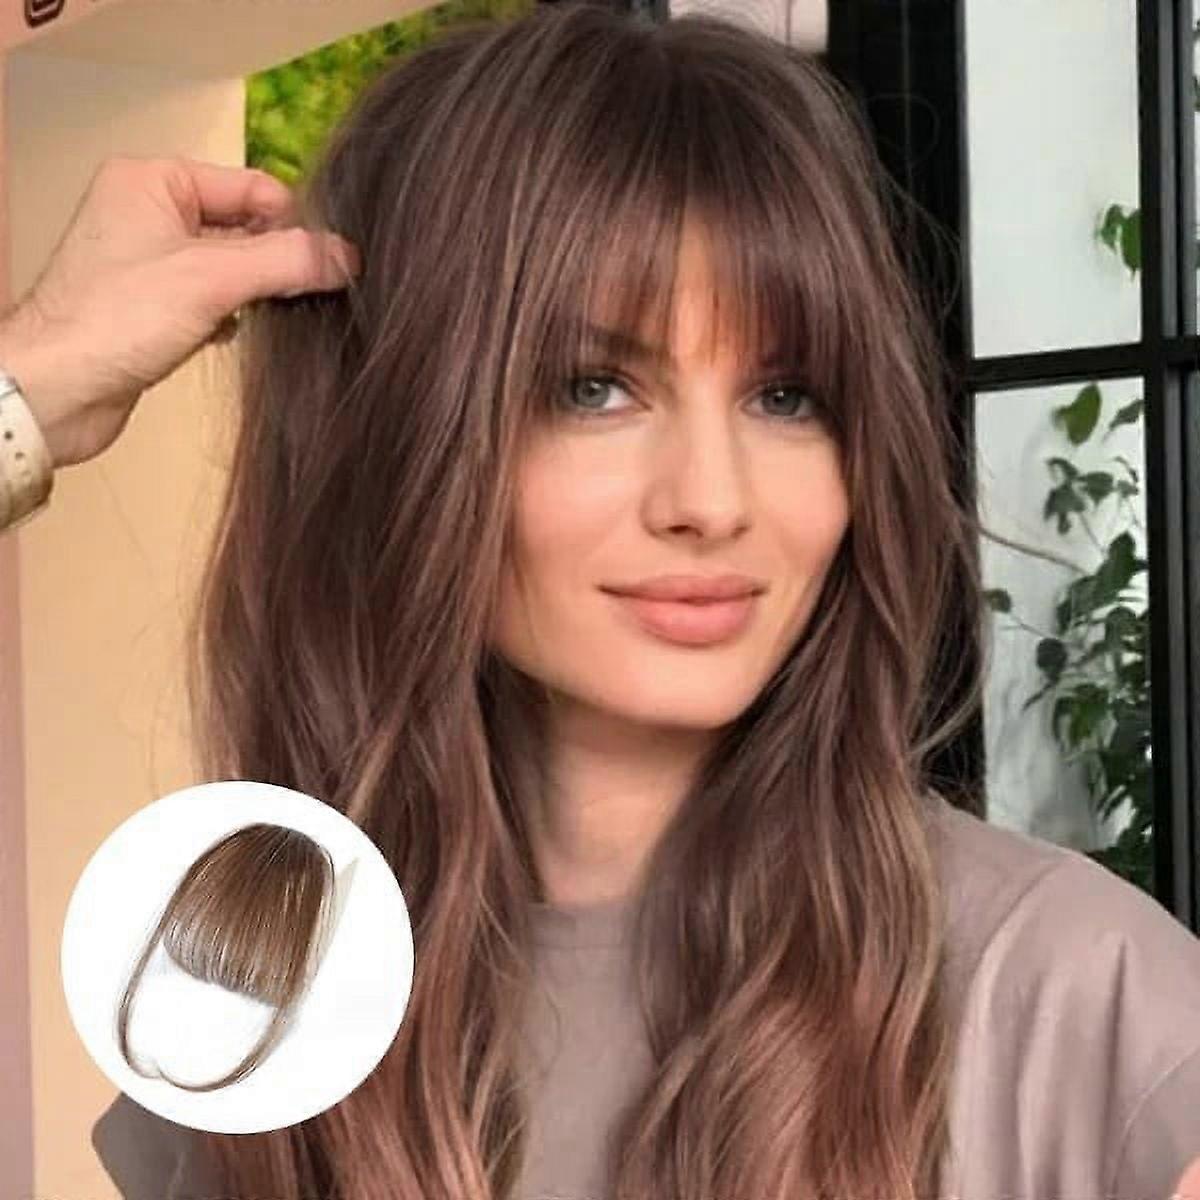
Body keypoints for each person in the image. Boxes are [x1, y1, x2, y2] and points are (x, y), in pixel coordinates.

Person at [4, 4, 1200, 1200]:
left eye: (787, 396)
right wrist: (33, 385)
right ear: (399, 430)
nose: (712, 501)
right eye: (594, 388)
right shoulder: (259, 998)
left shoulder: (1078, 1001)